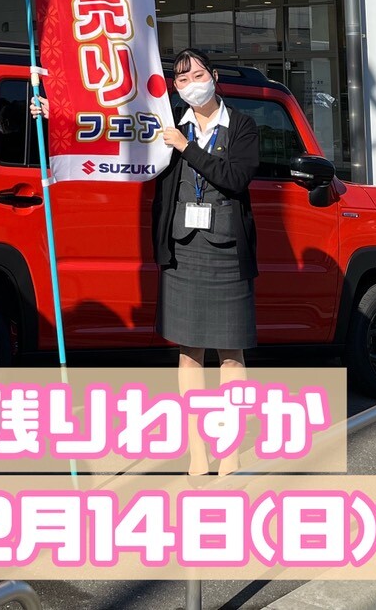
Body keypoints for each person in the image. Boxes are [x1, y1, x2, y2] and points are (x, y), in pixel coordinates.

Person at [152, 48, 259, 475]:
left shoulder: (242, 125)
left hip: (227, 250)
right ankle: (197, 449)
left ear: (213, 76)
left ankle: (230, 450)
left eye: (198, 75)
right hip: (184, 249)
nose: (192, 84)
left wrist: (187, 147)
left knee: (231, 354)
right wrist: (49, 112)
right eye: (182, 79)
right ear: (174, 87)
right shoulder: (167, 125)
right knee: (189, 353)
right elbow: (109, 131)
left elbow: (235, 178)